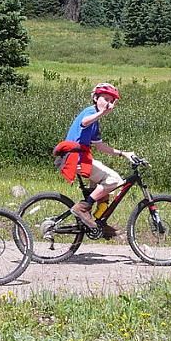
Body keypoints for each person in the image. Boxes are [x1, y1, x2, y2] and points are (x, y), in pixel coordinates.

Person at [52, 82, 136, 239]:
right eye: (105, 98)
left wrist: (124, 153)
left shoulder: (95, 122)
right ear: (96, 98)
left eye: (111, 101)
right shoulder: (90, 112)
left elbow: (100, 146)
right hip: (73, 158)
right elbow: (85, 122)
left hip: (80, 158)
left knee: (104, 185)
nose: (108, 103)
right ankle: (82, 208)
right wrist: (102, 113)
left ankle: (98, 223)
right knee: (114, 179)